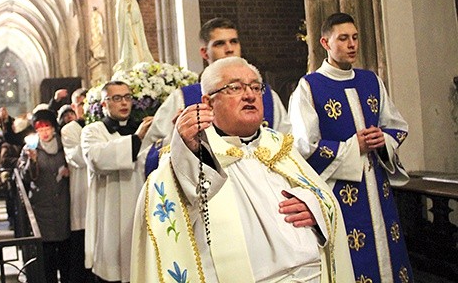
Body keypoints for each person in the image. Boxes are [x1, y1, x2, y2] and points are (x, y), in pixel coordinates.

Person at [131, 57, 353, 283]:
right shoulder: (192, 153)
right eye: (234, 88)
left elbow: (323, 196)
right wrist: (186, 148)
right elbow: (171, 206)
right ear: (208, 103)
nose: (249, 95)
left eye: (255, 87)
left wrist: (315, 208)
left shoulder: (278, 145)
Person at [288, 12, 413, 282]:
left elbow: (397, 125)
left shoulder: (371, 81)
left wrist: (384, 140)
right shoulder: (309, 87)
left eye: (355, 37)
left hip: (378, 189)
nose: (351, 44)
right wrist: (351, 146)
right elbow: (303, 147)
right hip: (340, 193)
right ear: (325, 43)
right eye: (343, 38)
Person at [144, 17, 291, 175]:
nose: (229, 49)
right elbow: (148, 156)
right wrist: (177, 138)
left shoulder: (266, 95)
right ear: (204, 52)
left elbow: (287, 145)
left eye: (234, 42)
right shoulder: (182, 99)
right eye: (220, 43)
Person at [81, 81, 154, 282]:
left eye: (127, 97)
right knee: (111, 270)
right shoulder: (93, 131)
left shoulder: (144, 130)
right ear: (104, 104)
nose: (124, 103)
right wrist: (137, 138)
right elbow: (97, 158)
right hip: (109, 216)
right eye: (116, 98)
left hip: (140, 210)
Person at [18, 108, 71, 283]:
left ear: (54, 128)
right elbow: (24, 177)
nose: (44, 133)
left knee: (65, 254)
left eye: (47, 128)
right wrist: (31, 161)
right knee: (46, 255)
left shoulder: (65, 145)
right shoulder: (30, 148)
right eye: (40, 130)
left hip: (63, 205)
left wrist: (69, 172)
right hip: (42, 207)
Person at [60, 88, 95, 283]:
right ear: (74, 107)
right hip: (82, 194)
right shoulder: (69, 129)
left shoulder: (98, 124)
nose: (85, 108)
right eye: (81, 104)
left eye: (88, 103)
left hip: (98, 193)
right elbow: (80, 157)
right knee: (81, 252)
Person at [112, 0, 154, 72]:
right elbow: (119, 18)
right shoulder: (121, 3)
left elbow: (137, 18)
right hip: (126, 30)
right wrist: (126, 14)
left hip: (135, 29)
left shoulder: (134, 3)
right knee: (129, 48)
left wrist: (131, 13)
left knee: (138, 47)